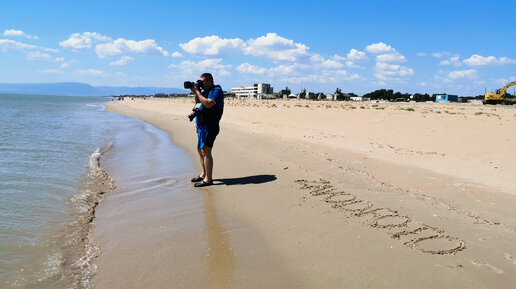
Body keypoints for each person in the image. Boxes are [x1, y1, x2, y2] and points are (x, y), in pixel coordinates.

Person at [189, 73, 224, 187]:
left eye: (202, 81)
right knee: (200, 150)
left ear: (209, 81)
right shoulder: (205, 90)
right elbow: (198, 101)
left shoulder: (216, 90)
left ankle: (208, 179)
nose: (201, 83)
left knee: (206, 151)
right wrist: (196, 91)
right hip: (202, 125)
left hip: (211, 125)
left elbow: (208, 104)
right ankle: (203, 174)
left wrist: (198, 91)